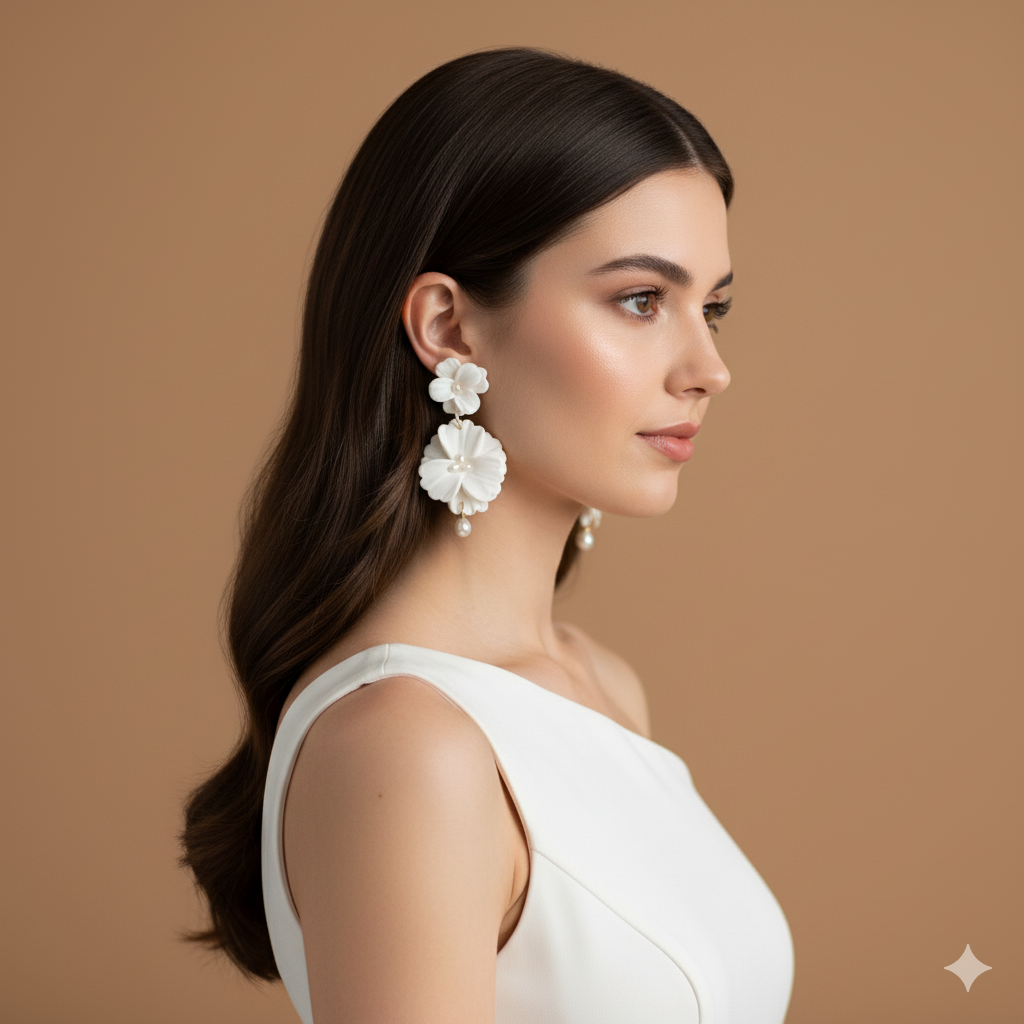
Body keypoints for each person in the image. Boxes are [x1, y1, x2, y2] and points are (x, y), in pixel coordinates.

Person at [181, 46, 794, 1024]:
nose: (707, 366)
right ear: (448, 326)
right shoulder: (408, 745)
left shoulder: (596, 682)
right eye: (641, 299)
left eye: (712, 306)